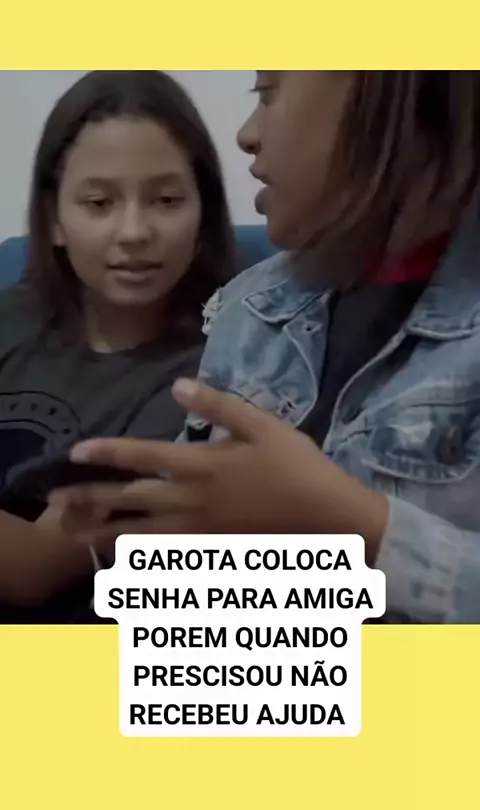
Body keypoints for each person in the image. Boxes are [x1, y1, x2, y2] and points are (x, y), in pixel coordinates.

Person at [52, 71, 480, 624]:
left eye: (268, 92)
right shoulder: (250, 303)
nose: (246, 134)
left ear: (392, 92)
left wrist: (355, 524)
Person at [0, 69, 235, 618]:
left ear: (203, 215)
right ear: (54, 220)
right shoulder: (12, 315)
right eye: (100, 203)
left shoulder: (209, 381)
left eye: (166, 200)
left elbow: (33, 566)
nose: (133, 232)